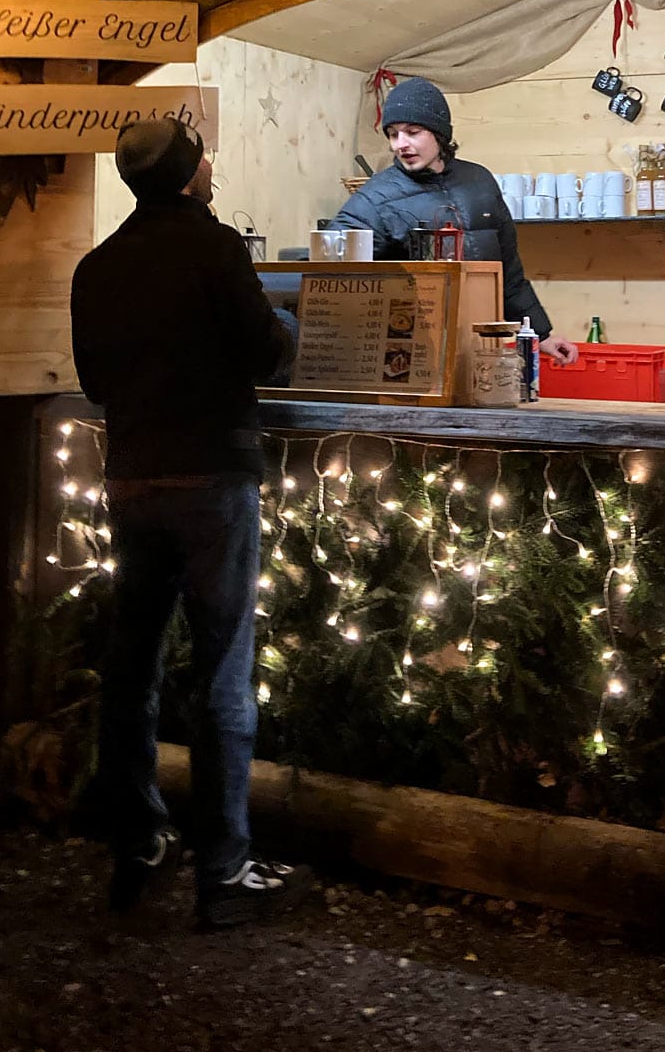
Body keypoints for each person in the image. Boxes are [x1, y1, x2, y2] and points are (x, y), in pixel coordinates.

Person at [70, 117, 310, 928]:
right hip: (213, 479)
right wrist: (287, 335)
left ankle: (136, 842)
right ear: (185, 174)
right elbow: (262, 351)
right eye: (202, 155)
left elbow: (98, 384)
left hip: (133, 480)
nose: (212, 165)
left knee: (131, 669)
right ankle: (225, 874)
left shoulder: (97, 266)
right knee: (222, 676)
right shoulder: (214, 247)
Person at [328, 77, 579, 366]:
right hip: (412, 352)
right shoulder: (374, 198)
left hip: (482, 346)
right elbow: (335, 270)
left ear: (439, 133)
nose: (401, 144)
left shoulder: (479, 181)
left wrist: (539, 333)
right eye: (394, 134)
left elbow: (508, 270)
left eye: (412, 132)